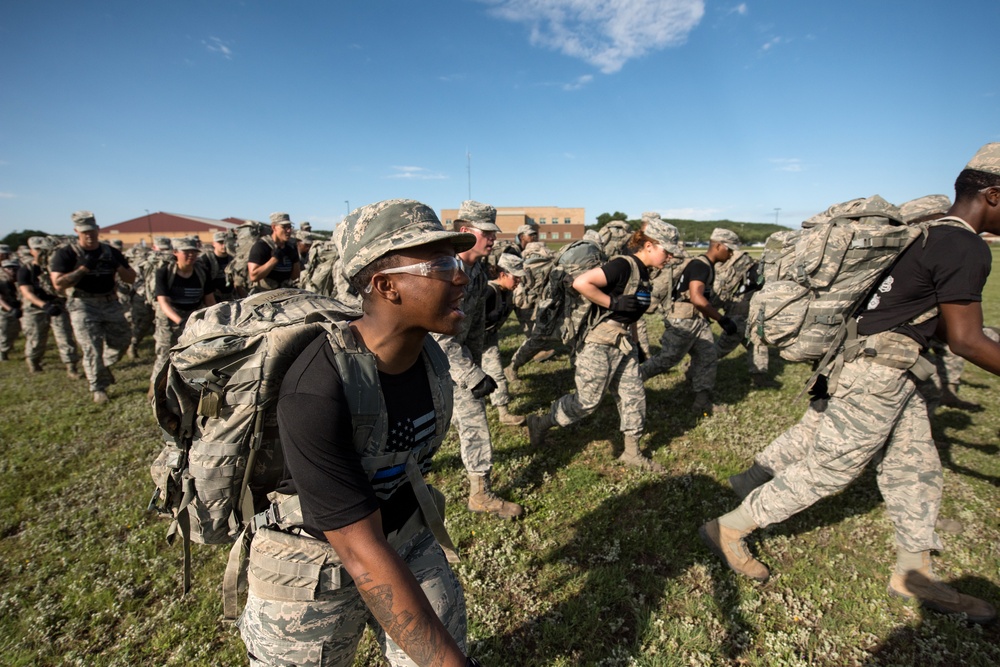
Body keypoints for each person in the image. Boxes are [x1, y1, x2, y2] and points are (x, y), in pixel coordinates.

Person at [701, 142, 1000, 625]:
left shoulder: (927, 235)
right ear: (993, 194)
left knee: (914, 466)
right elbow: (963, 341)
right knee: (831, 468)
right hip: (877, 374)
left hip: (885, 369)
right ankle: (729, 529)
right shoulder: (963, 244)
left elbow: (932, 321)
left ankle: (913, 570)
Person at [238, 199, 479, 667]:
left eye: (457, 259)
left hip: (403, 535)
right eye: (441, 263)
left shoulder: (430, 358)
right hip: (311, 564)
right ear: (386, 286)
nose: (462, 275)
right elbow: (360, 550)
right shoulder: (316, 388)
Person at [526, 220, 682, 471]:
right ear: (650, 246)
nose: (670, 256)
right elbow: (581, 283)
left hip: (623, 344)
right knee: (586, 403)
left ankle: (631, 452)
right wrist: (613, 303)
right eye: (667, 250)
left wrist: (638, 346)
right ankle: (541, 423)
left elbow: (632, 314)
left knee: (633, 395)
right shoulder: (623, 265)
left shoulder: (644, 272)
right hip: (598, 344)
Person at [433, 200, 524, 520]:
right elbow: (438, 337)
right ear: (463, 231)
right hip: (427, 362)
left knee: (469, 419)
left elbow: (472, 327)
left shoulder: (476, 271)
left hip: (454, 362)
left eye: (493, 233)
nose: (492, 239)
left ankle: (479, 492)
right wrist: (472, 374)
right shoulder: (444, 271)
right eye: (486, 232)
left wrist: (478, 364)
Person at [639, 228, 742, 415]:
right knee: (666, 360)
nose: (731, 254)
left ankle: (702, 403)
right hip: (684, 320)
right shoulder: (701, 266)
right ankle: (629, 382)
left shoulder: (705, 265)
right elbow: (696, 297)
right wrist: (721, 319)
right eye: (729, 249)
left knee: (707, 357)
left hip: (697, 320)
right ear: (718, 246)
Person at [49, 211, 136, 404]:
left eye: (92, 231)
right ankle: (98, 387)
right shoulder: (66, 253)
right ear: (76, 231)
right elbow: (58, 284)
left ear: (98, 230)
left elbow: (131, 278)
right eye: (84, 231)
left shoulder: (110, 251)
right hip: (82, 304)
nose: (89, 235)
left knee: (123, 340)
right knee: (91, 348)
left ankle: (102, 366)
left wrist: (118, 266)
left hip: (109, 301)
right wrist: (83, 268)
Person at [150, 237, 216, 384]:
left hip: (193, 317)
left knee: (195, 354)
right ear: (175, 253)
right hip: (169, 319)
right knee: (164, 356)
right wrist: (180, 321)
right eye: (186, 252)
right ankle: (155, 389)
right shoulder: (164, 272)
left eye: (193, 252)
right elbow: (163, 302)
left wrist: (212, 321)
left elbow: (210, 301)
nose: (191, 255)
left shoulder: (202, 272)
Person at [17, 236, 81, 377]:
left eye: (43, 250)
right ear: (31, 251)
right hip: (35, 308)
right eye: (37, 250)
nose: (41, 253)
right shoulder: (26, 269)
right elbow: (26, 292)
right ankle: (33, 361)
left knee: (65, 337)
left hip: (57, 306)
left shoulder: (55, 266)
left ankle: (71, 367)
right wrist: (44, 305)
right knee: (36, 338)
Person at [482, 253, 528, 426]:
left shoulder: (509, 292)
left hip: (489, 339)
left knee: (496, 374)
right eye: (516, 278)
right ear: (503, 274)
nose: (518, 282)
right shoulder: (487, 292)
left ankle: (504, 413)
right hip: (469, 342)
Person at [247, 212, 301, 292]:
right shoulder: (261, 246)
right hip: (264, 294)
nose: (289, 231)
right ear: (274, 227)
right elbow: (254, 276)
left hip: (285, 293)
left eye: (290, 227)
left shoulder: (291, 247)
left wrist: (295, 260)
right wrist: (274, 260)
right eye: (284, 227)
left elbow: (295, 276)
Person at [198, 231, 235, 302]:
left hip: (231, 296)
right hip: (212, 297)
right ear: (213, 244)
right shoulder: (206, 259)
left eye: (225, 242)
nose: (224, 245)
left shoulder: (232, 258)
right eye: (220, 243)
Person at [0, 259, 22, 361]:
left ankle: (5, 349)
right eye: (8, 268)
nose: (12, 270)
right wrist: (10, 310)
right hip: (4, 310)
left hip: (18, 308)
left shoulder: (20, 280)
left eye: (14, 268)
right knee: (5, 332)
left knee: (14, 332)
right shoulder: (2, 281)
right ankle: (2, 352)